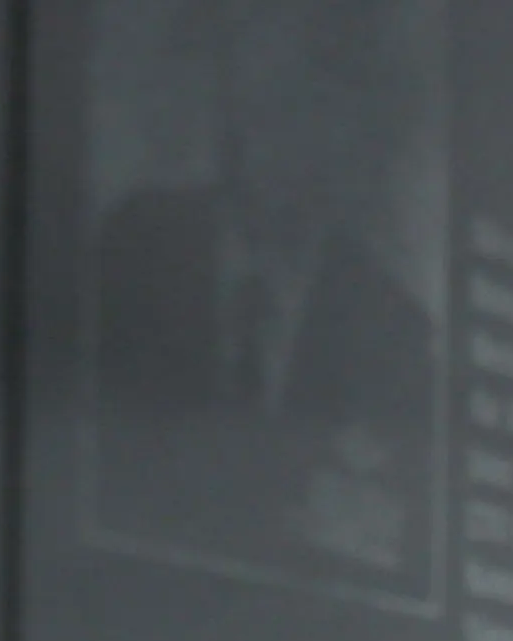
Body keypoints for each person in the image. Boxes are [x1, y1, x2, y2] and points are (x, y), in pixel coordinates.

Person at [86, 0, 438, 597]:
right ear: (233, 113)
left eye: (314, 107)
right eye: (267, 105)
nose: (285, 140)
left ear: (353, 131)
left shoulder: (395, 331)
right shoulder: (135, 247)